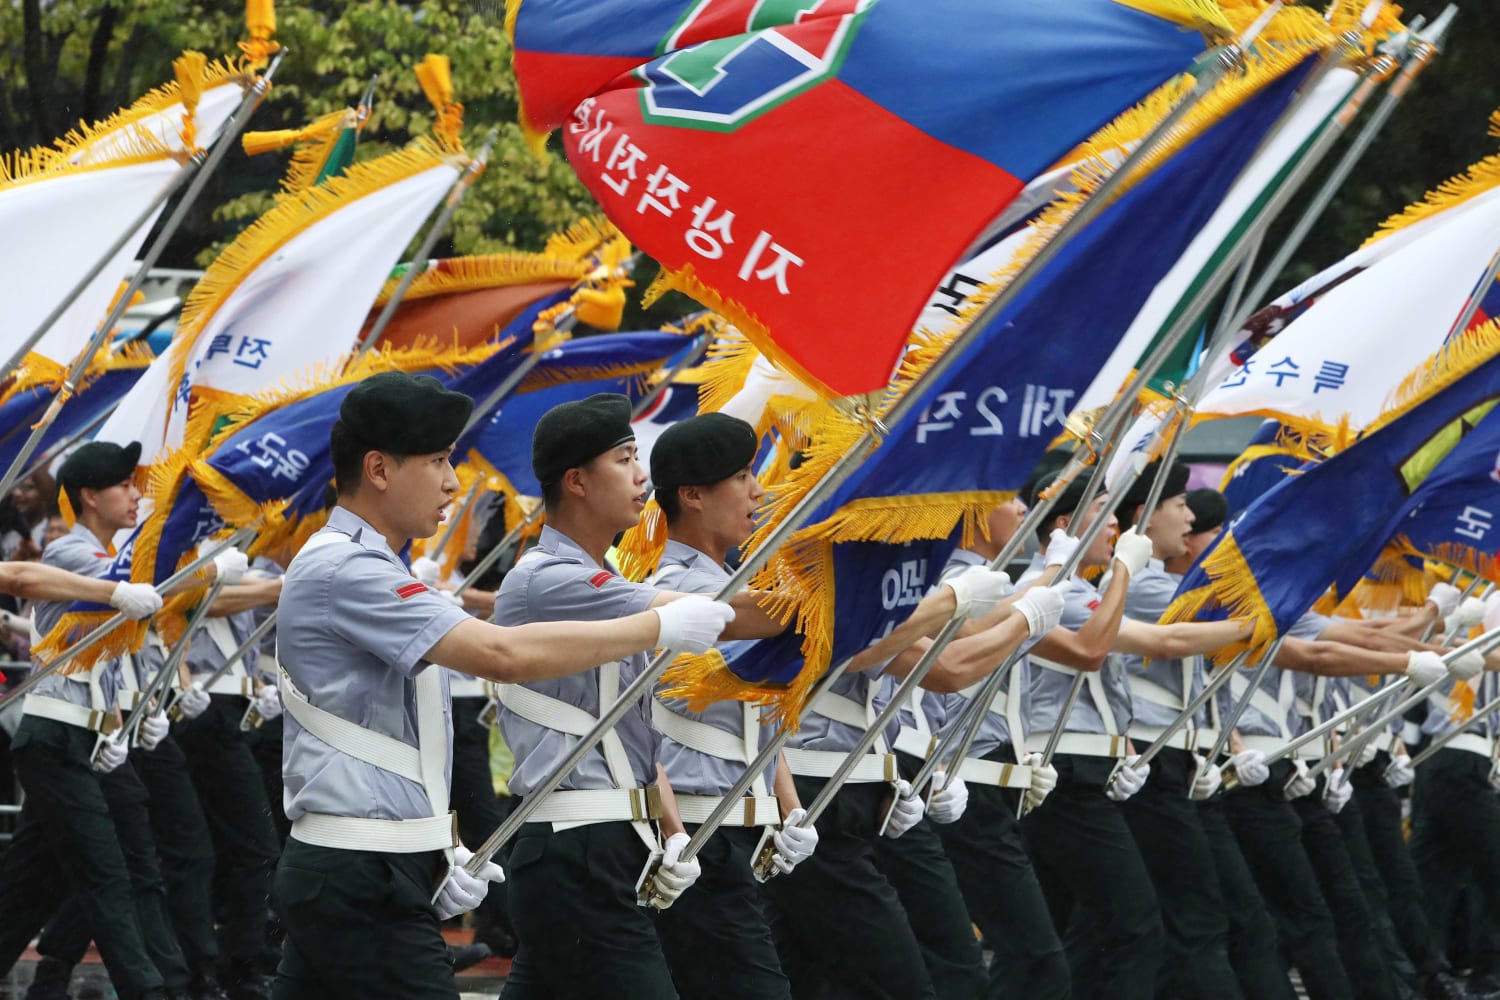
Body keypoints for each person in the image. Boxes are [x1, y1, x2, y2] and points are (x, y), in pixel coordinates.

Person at [271, 375, 736, 1000]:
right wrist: (658, 625)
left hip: (368, 867)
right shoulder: (344, 567)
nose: (451, 482)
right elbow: (499, 654)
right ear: (379, 469)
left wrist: (442, 846)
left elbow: (391, 736)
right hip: (361, 873)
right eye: (437, 461)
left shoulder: (372, 565)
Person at [491, 395, 789, 1000]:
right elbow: (727, 617)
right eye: (625, 460)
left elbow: (626, 732)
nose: (641, 477)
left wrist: (669, 831)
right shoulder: (550, 578)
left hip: (600, 844)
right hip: (576, 847)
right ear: (576, 481)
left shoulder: (596, 578)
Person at [0, 440, 240, 1000]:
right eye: (124, 486)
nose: (137, 496)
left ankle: (58, 978)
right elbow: (31, 580)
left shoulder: (116, 563)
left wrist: (132, 721)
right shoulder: (71, 553)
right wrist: (204, 576)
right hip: (55, 734)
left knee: (34, 882)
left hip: (92, 738)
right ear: (89, 495)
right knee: (114, 873)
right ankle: (158, 989)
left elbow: (127, 638)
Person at [642, 413, 813, 1000]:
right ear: (692, 495)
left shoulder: (728, 581)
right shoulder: (676, 592)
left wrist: (788, 808)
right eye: (742, 476)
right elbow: (641, 729)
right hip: (698, 836)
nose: (758, 491)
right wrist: (674, 837)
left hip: (746, 837)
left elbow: (758, 707)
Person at [891, 495, 1070, 999]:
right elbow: (959, 644)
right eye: (1006, 497)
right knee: (1010, 959)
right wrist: (1054, 570)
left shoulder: (993, 582)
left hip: (951, 779)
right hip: (934, 777)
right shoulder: (948, 576)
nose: (1020, 509)